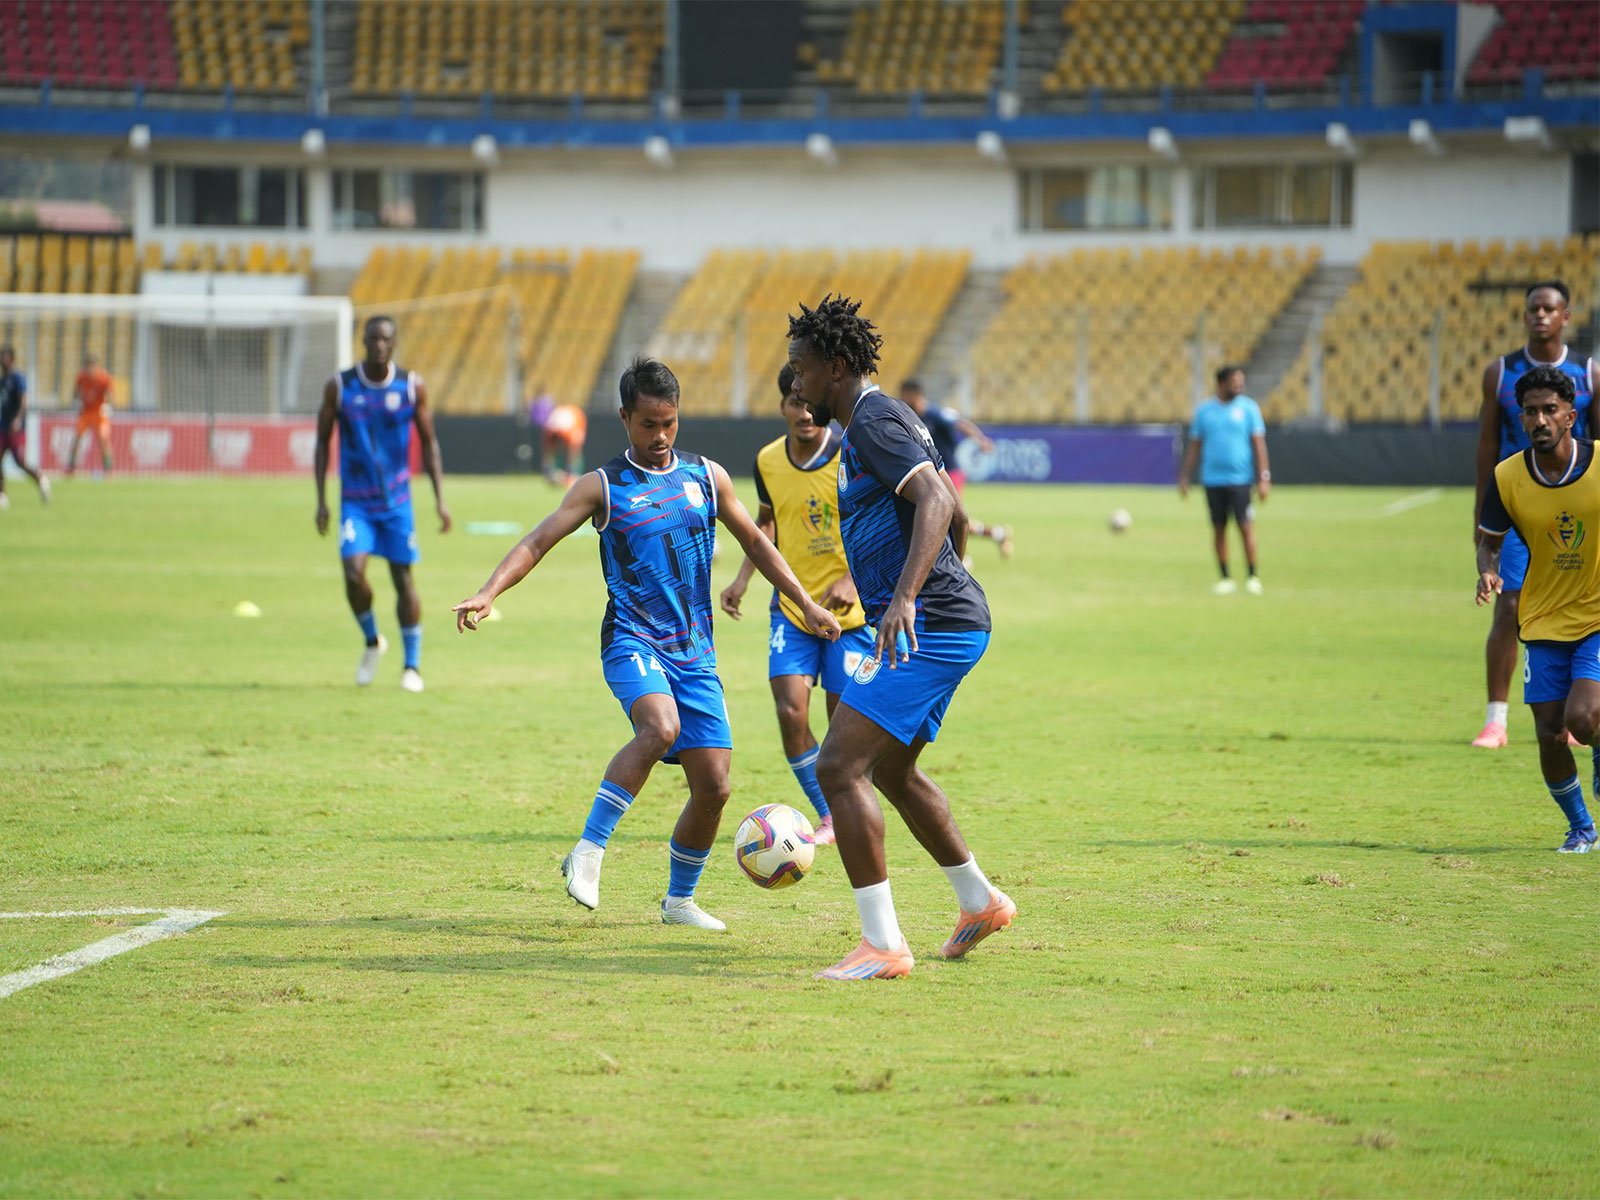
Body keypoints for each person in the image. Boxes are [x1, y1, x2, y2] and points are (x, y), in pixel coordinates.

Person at [452, 356, 841, 931]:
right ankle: (587, 852)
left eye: (669, 424)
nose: (660, 437)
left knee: (714, 787)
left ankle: (679, 902)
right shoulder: (602, 487)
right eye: (648, 424)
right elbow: (538, 541)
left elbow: (757, 542)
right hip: (633, 641)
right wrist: (489, 591)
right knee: (660, 729)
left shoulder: (707, 476)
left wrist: (805, 603)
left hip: (697, 652)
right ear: (624, 417)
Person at [785, 295, 1012, 981]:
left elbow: (940, 505)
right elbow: (958, 516)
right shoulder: (880, 422)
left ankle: (883, 946)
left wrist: (910, 598)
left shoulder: (875, 421)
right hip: (947, 621)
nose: (794, 385)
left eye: (801, 370)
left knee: (836, 768)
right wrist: (945, 583)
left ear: (837, 365)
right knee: (889, 770)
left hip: (932, 627)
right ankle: (980, 902)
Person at [718, 364, 877, 846]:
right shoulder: (767, 461)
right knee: (790, 712)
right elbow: (765, 525)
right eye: (794, 402)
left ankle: (851, 809)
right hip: (792, 608)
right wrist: (743, 578)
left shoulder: (854, 455)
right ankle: (829, 814)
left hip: (851, 617)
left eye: (811, 403)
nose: (804, 412)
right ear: (783, 406)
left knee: (842, 728)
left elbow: (877, 523)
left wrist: (853, 577)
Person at [1475, 365, 1600, 853]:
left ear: (1571, 415)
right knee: (1550, 733)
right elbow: (1489, 542)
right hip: (1543, 620)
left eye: (1550, 410)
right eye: (1530, 412)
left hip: (1595, 617)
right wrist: (1487, 568)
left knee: (1585, 718)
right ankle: (1581, 827)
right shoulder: (1507, 478)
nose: (1540, 420)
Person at [1471, 280, 1597, 749]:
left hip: (1575, 512)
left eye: (1549, 309)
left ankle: (1577, 710)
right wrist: (1479, 515)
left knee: (1580, 608)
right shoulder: (1500, 372)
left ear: (1566, 316)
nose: (1539, 316)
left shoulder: (1589, 373)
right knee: (1508, 608)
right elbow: (1486, 443)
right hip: (1519, 508)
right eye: (1532, 309)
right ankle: (1496, 719)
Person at [314, 315, 451, 693]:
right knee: (353, 574)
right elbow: (322, 443)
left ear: (393, 343)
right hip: (355, 503)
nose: (379, 344)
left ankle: (412, 666)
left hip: (397, 503)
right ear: (363, 340)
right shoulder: (340, 387)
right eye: (373, 338)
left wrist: (440, 501)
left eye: (385, 339)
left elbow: (429, 444)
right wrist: (321, 501)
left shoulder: (410, 387)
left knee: (402, 579)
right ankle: (373, 640)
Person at [1178, 364, 1270, 594]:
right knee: (1219, 529)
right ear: (1221, 383)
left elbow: (1259, 445)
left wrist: (1264, 477)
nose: (1239, 386)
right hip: (1213, 480)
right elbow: (1195, 446)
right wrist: (1185, 475)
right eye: (1234, 382)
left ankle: (1252, 575)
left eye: (1240, 381)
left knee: (1245, 526)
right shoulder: (1205, 411)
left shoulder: (1249, 409)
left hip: (1240, 479)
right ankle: (1225, 578)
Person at [900, 379, 1012, 559]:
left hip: (949, 473)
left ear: (914, 394)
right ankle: (996, 534)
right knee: (943, 516)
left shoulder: (934, 413)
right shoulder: (912, 416)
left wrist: (981, 440)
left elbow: (961, 423)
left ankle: (961, 558)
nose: (902, 399)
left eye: (904, 395)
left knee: (945, 516)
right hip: (933, 474)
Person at [0, 345, 49, 508]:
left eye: (5, 357)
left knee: (19, 461)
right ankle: (2, 495)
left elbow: (23, 400)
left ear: (12, 359)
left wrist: (18, 419)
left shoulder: (17, 378)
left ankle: (40, 478)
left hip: (16, 428)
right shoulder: (2, 381)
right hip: (2, 426)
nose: (3, 361)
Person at [65, 354, 114, 475]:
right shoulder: (81, 377)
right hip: (86, 413)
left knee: (103, 439)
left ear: (96, 366)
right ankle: (72, 466)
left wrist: (107, 404)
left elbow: (110, 393)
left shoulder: (103, 377)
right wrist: (76, 400)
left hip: (99, 413)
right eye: (88, 367)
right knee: (77, 438)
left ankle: (108, 468)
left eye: (92, 366)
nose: (90, 370)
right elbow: (75, 392)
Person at [543, 403, 587, 487]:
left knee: (575, 453)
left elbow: (574, 452)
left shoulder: (571, 432)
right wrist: (549, 470)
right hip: (562, 422)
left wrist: (571, 473)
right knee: (553, 453)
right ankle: (557, 474)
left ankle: (575, 474)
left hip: (577, 418)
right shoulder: (548, 430)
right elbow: (548, 451)